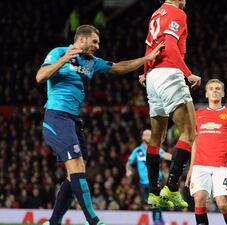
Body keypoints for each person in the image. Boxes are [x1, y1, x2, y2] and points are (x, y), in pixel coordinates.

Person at [37, 25, 163, 225]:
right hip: (57, 117)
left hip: (74, 121)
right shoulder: (59, 52)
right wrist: (63, 60)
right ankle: (93, 221)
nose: (98, 45)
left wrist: (146, 60)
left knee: (75, 173)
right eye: (94, 41)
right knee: (77, 166)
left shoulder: (91, 62)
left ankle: (53, 222)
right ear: (82, 39)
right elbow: (40, 77)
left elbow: (118, 67)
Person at [140, 0, 201, 209]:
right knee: (189, 132)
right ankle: (172, 188)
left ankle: (153, 193)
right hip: (169, 74)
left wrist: (146, 72)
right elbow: (171, 45)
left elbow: (150, 46)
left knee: (156, 138)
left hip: (153, 78)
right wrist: (188, 73)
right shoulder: (177, 13)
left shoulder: (156, 14)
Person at [185, 79, 227, 225]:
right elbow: (195, 142)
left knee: (222, 204)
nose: (214, 90)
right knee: (199, 199)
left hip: (220, 166)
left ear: (223, 93)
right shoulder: (197, 114)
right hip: (200, 166)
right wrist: (191, 168)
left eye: (218, 88)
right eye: (211, 88)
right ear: (206, 94)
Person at [125, 129, 172, 225]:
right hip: (144, 183)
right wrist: (128, 170)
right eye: (147, 134)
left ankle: (157, 222)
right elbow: (129, 163)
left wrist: (177, 157)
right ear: (142, 137)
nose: (149, 136)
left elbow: (165, 155)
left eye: (151, 135)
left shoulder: (156, 149)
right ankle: (161, 221)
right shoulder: (137, 151)